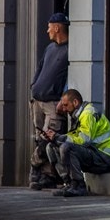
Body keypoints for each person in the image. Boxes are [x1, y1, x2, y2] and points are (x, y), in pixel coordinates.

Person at [42, 88, 110, 197]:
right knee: (51, 146)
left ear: (75, 102)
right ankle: (69, 184)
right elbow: (75, 137)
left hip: (104, 158)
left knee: (66, 147)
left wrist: (59, 138)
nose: (63, 109)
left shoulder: (87, 114)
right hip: (95, 154)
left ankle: (79, 185)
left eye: (65, 105)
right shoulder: (78, 115)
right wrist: (56, 137)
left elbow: (83, 140)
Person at [28, 13, 70, 190]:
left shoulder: (71, 49)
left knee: (48, 139)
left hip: (53, 102)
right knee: (40, 139)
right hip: (37, 100)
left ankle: (35, 165)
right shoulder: (50, 49)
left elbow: (70, 76)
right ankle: (47, 176)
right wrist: (34, 86)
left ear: (57, 28)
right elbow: (40, 68)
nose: (47, 31)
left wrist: (63, 98)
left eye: (49, 27)